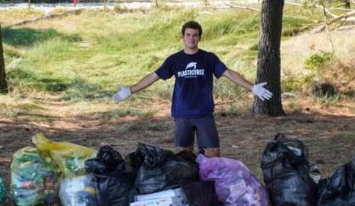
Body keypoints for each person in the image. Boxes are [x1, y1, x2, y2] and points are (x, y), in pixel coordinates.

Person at [113, 21, 272, 157]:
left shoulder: (208, 58)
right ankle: (191, 187)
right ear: (182, 37)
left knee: (213, 153)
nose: (191, 38)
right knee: (184, 155)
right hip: (182, 114)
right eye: (188, 35)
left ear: (199, 38)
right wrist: (130, 90)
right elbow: (153, 76)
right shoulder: (174, 60)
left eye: (195, 35)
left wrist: (252, 88)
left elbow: (229, 73)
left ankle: (209, 186)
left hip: (204, 114)